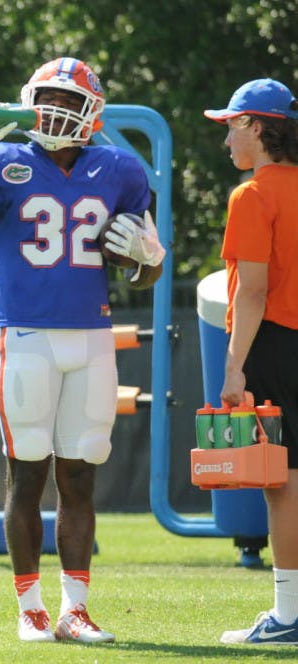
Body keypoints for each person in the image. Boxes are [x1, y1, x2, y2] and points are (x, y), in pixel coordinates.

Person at [0, 57, 166, 643]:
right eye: (48, 97)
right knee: (26, 474)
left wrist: (150, 260)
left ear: (92, 113)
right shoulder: (5, 160)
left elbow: (144, 271)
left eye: (68, 99)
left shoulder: (121, 167)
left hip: (91, 334)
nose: (56, 109)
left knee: (80, 476)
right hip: (27, 335)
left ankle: (74, 609)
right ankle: (29, 607)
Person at [203, 79, 298, 646]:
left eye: (234, 125)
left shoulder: (252, 195)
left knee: (281, 483)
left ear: (258, 128)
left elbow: (253, 293)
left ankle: (288, 615)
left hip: (275, 343)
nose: (228, 138)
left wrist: (234, 366)